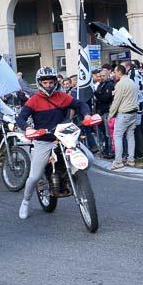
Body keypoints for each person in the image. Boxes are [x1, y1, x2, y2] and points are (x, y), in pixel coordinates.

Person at [15, 66, 91, 220]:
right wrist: (28, 128)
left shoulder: (63, 96)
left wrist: (87, 116)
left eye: (51, 82)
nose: (48, 85)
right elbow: (21, 117)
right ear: (39, 83)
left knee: (90, 159)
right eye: (46, 82)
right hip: (43, 140)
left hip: (65, 137)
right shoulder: (34, 100)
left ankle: (77, 179)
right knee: (35, 176)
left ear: (56, 82)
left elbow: (80, 105)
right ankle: (25, 201)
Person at [108, 64, 139, 169]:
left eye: (115, 72)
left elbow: (116, 101)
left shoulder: (120, 84)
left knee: (118, 136)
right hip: (133, 112)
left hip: (124, 113)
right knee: (130, 136)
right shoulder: (132, 82)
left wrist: (110, 115)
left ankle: (118, 161)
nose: (114, 74)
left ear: (119, 72)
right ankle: (131, 160)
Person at [93, 67, 115, 159]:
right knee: (103, 133)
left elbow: (105, 98)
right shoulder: (101, 84)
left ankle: (110, 151)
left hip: (107, 112)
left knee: (108, 133)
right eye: (100, 76)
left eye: (103, 76)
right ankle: (106, 149)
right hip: (100, 112)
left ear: (108, 75)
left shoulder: (109, 85)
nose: (101, 77)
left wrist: (96, 94)